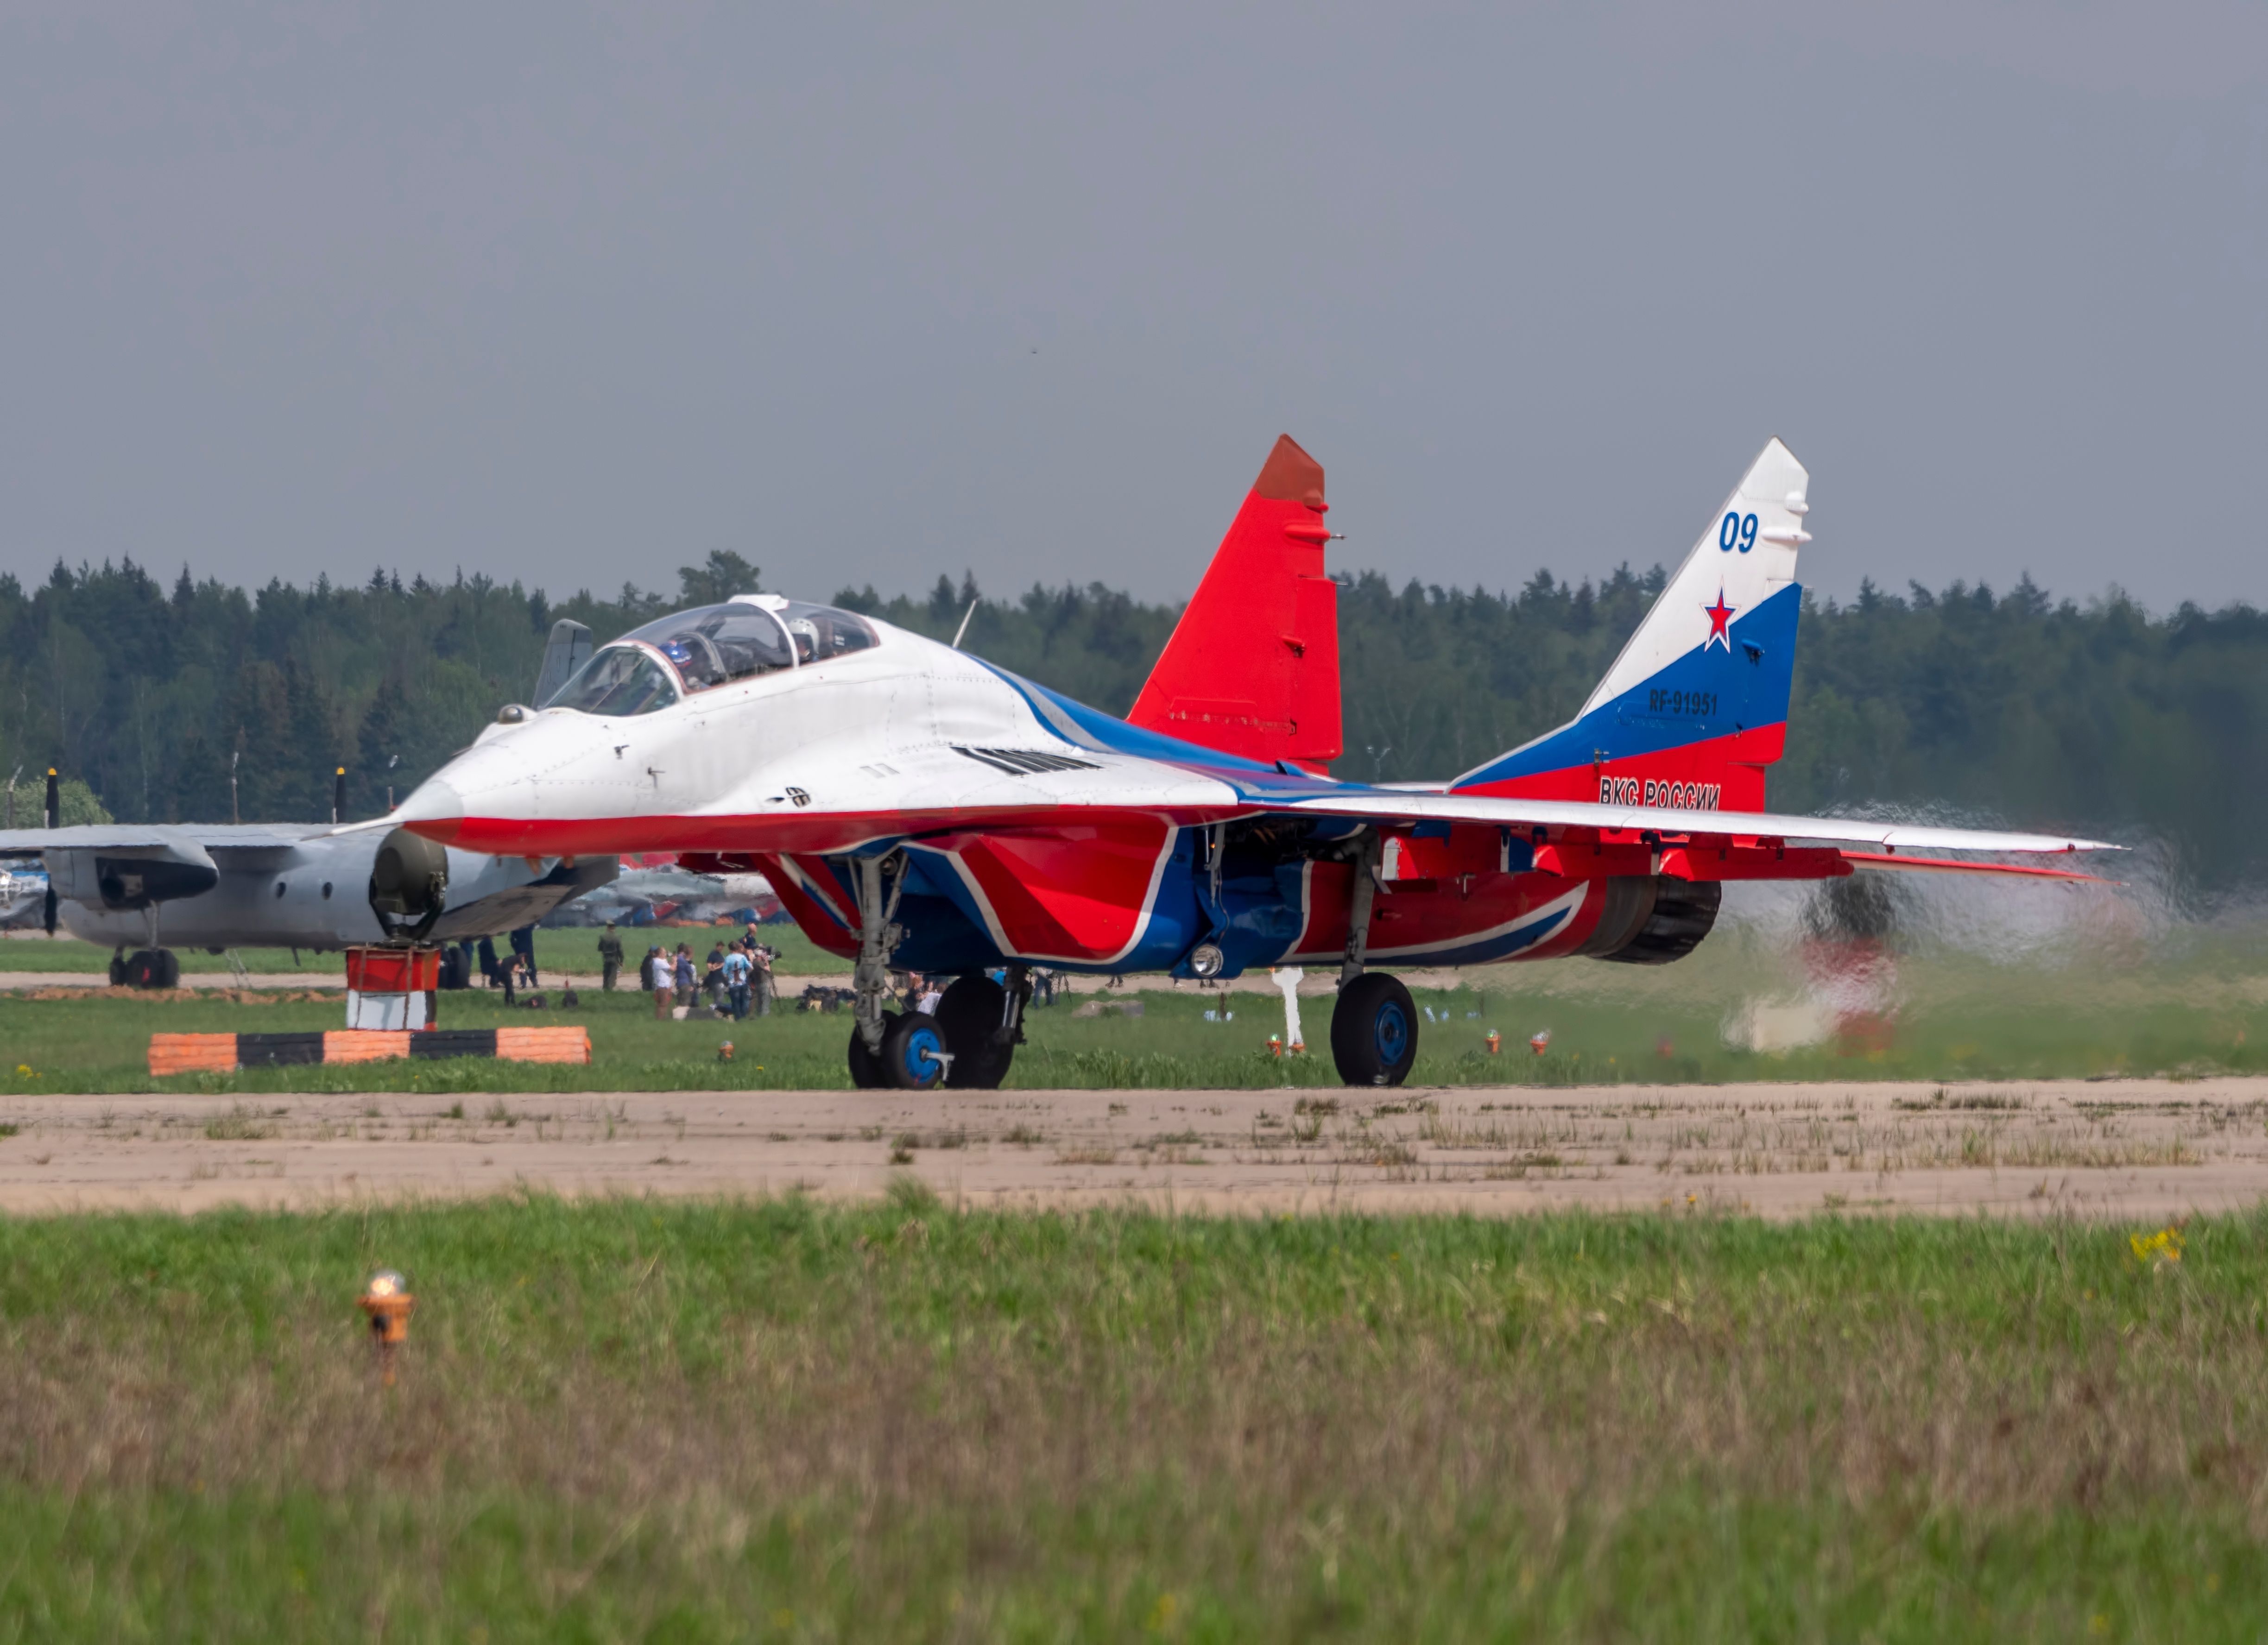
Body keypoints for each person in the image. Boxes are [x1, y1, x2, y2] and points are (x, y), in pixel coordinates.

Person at [722, 942, 753, 1020]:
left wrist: (727, 981)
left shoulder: (728, 958)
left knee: (735, 1003)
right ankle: (744, 1017)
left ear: (730, 949)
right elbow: (750, 968)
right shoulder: (742, 957)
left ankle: (738, 1019)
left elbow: (724, 973)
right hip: (743, 983)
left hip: (733, 984)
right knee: (744, 1001)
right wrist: (745, 975)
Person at [646, 945, 671, 1020]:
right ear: (660, 954)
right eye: (664, 953)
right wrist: (675, 960)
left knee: (664, 1004)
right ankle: (660, 1018)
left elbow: (667, 963)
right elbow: (673, 968)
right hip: (662, 986)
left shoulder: (662, 961)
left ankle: (662, 1017)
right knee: (662, 1004)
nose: (665, 954)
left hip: (665, 985)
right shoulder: (658, 962)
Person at [598, 922, 624, 992]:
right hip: (614, 958)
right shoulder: (617, 937)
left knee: (606, 973)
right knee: (613, 974)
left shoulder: (603, 937)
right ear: (614, 928)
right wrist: (621, 961)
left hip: (606, 958)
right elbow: (620, 950)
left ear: (608, 928)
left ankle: (605, 987)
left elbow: (599, 948)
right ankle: (610, 989)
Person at [753, 942, 775, 1017]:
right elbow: (768, 969)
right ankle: (764, 1015)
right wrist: (767, 963)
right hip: (763, 983)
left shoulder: (755, 962)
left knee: (761, 1000)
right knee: (766, 999)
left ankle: (760, 1014)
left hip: (759, 983)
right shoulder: (758, 963)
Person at [703, 941, 727, 1009]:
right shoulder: (712, 955)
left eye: (722, 948)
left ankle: (717, 1010)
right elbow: (710, 968)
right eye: (721, 947)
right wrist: (718, 966)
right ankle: (713, 1010)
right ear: (717, 946)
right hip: (716, 979)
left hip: (721, 979)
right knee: (719, 998)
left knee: (720, 997)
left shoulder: (721, 956)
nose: (721, 949)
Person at [673, 943, 695, 1009]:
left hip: (679, 982)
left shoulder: (677, 959)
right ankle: (682, 1017)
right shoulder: (682, 960)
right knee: (685, 1002)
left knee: (680, 1001)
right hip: (685, 983)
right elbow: (690, 971)